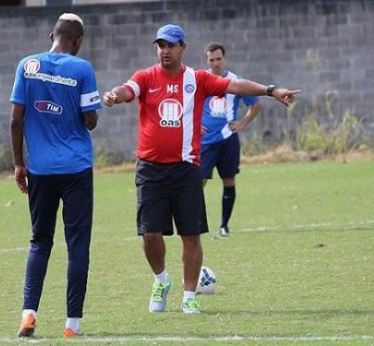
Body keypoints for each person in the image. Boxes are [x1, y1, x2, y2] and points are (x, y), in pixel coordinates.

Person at [102, 24, 299, 314]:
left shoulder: (197, 79)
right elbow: (127, 89)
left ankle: (189, 296)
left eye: (170, 45)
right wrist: (113, 96)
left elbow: (236, 86)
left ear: (183, 48)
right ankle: (161, 280)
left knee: (190, 235)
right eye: (160, 45)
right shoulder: (145, 77)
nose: (165, 50)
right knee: (150, 234)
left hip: (186, 168)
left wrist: (272, 90)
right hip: (150, 169)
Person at [9, 13, 101, 338]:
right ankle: (71, 326)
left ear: (52, 35)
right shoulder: (82, 69)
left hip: (40, 170)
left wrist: (19, 164)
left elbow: (16, 121)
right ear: (77, 41)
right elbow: (90, 120)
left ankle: (28, 315)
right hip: (76, 169)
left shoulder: (26, 65)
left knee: (39, 242)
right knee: (77, 245)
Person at [201, 42, 263, 237]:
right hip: (204, 142)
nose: (215, 63)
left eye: (218, 59)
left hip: (228, 139)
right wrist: (194, 125)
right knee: (197, 183)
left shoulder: (235, 81)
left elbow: (255, 105)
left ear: (224, 59)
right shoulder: (200, 80)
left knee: (228, 181)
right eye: (212, 60)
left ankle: (224, 225)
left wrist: (242, 123)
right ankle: (197, 224)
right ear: (207, 61)